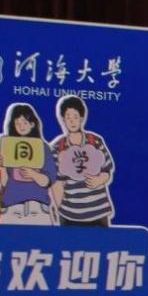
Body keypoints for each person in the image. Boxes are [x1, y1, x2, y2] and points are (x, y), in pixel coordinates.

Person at [50, 96, 115, 226]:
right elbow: (57, 182)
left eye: (75, 116)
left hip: (98, 211)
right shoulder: (58, 147)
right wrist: (59, 207)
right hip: (70, 213)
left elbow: (107, 169)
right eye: (68, 117)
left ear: (81, 118)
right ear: (63, 120)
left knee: (101, 240)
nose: (72, 121)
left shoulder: (95, 141)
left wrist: (99, 179)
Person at [0, 103, 59, 225]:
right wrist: (2, 168)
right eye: (17, 123)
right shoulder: (8, 146)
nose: (21, 126)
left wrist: (33, 174)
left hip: (37, 208)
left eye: (25, 122)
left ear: (32, 124)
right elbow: (4, 183)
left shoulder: (42, 147)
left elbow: (47, 181)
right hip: (11, 207)